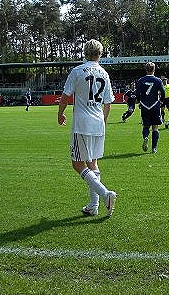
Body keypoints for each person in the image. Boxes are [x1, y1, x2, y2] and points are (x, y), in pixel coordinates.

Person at [57, 39, 117, 217]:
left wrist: (60, 113)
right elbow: (108, 103)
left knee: (77, 164)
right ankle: (93, 206)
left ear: (85, 53)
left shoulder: (77, 71)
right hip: (98, 122)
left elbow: (66, 95)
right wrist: (103, 122)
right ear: (100, 54)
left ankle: (105, 194)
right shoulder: (104, 74)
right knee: (93, 163)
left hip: (82, 123)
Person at [135, 62, 165, 153]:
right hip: (155, 105)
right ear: (154, 70)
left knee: (145, 125)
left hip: (144, 106)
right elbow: (163, 92)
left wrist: (140, 101)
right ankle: (154, 148)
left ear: (146, 69)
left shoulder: (141, 80)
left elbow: (137, 93)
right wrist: (161, 101)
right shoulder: (158, 80)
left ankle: (145, 137)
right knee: (155, 127)